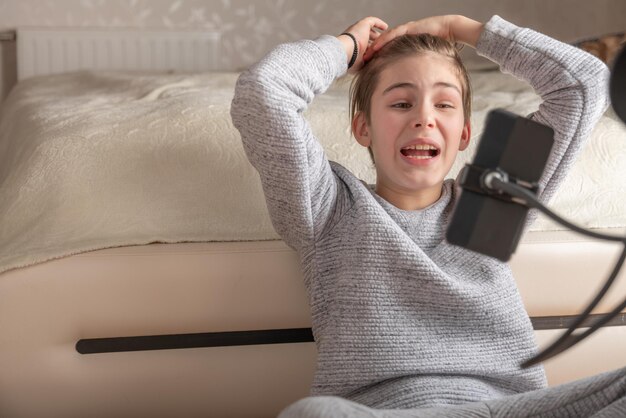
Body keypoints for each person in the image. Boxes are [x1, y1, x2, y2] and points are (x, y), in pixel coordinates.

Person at [231, 14, 626, 418]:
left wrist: (462, 29)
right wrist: (346, 46)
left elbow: (583, 84)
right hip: (386, 410)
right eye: (402, 103)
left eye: (444, 104)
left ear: (464, 134)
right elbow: (265, 91)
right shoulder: (331, 208)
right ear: (363, 127)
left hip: (509, 409)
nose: (424, 117)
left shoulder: (491, 201)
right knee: (312, 414)